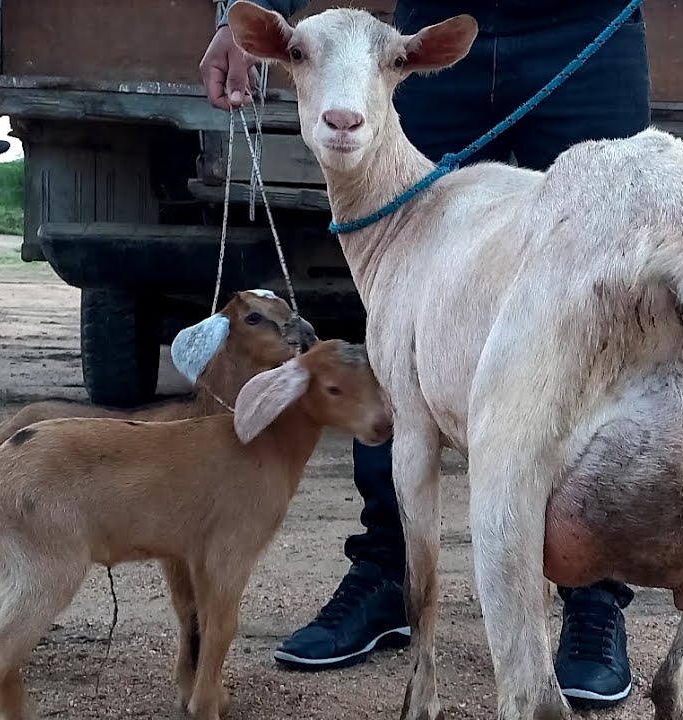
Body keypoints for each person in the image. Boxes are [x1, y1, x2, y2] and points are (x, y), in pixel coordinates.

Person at [200, 0, 649, 707]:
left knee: (601, 298)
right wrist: (238, 13)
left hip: (586, 33)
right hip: (436, 28)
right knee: (403, 293)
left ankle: (592, 600)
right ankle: (389, 570)